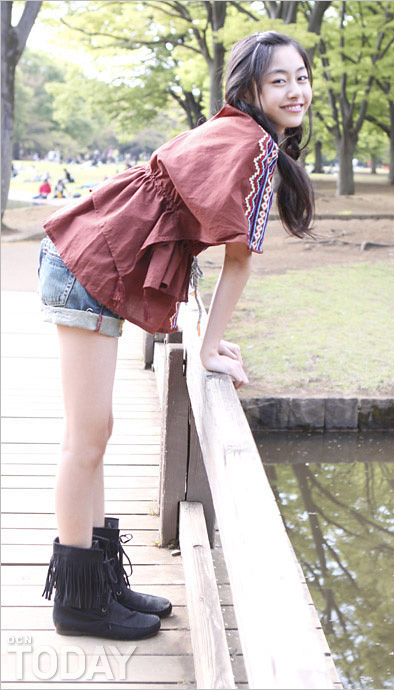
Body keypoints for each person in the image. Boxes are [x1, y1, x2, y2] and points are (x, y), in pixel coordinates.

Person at [38, 31, 314, 641]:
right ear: (250, 89)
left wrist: (211, 341)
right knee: (85, 438)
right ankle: (77, 603)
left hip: (92, 261)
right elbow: (238, 261)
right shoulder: (251, 146)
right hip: (86, 266)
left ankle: (100, 582)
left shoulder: (242, 136)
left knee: (95, 434)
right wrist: (209, 345)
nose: (296, 90)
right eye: (280, 80)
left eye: (301, 77)